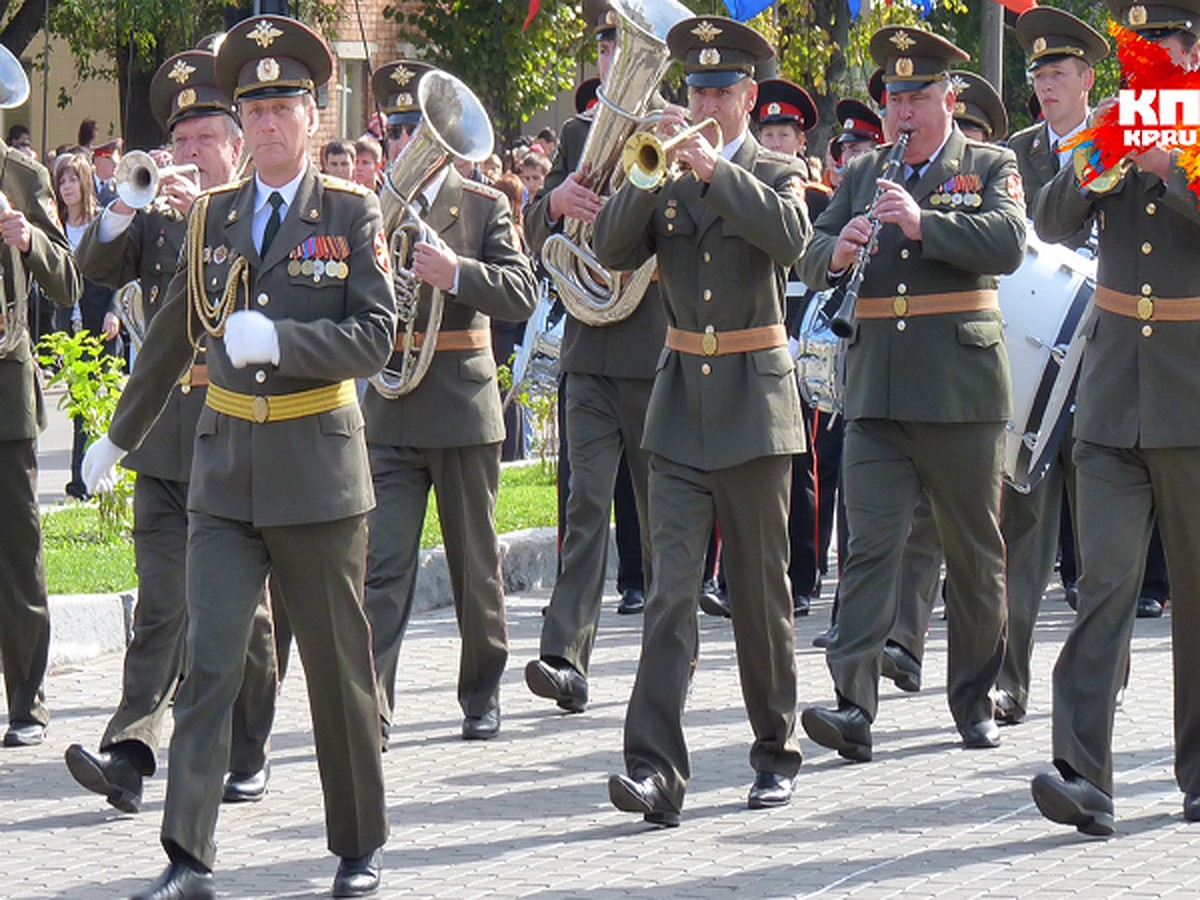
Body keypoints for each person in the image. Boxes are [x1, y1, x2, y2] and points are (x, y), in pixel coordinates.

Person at [82, 16, 393, 897]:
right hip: (222, 472)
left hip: (317, 472)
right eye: (252, 106)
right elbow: (176, 333)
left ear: (314, 115)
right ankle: (188, 856)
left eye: (281, 105)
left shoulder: (349, 211)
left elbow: (376, 335)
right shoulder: (212, 216)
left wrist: (285, 342)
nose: (265, 122)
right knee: (212, 659)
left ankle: (358, 845)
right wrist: (118, 432)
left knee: (336, 672)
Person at [595, 15, 810, 824]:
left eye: (722, 90)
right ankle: (654, 770)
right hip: (680, 403)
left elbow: (791, 239)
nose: (707, 102)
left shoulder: (778, 169)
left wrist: (717, 170)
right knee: (671, 593)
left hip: (756, 402)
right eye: (697, 90)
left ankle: (774, 750)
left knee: (759, 593)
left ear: (750, 96)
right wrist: (640, 173)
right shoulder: (666, 172)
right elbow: (614, 250)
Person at [798, 26, 1026, 760]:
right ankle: (852, 705)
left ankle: (973, 699)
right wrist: (836, 249)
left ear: (947, 98)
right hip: (877, 392)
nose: (903, 110)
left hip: (960, 390)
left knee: (973, 551)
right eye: (894, 97)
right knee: (867, 547)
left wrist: (926, 224)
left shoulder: (990, 162)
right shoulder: (863, 175)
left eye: (918, 95)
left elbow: (1008, 242)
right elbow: (810, 247)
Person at [66, 46, 279, 815]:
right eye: (178, 141)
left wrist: (208, 221)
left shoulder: (262, 210)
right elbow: (91, 263)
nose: (187, 154)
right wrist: (124, 202)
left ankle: (249, 747)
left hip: (236, 428)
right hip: (159, 434)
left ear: (237, 142)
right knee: (163, 598)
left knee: (242, 610)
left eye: (202, 139)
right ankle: (130, 751)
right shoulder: (155, 218)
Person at [1029, 0, 1200, 835]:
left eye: (1159, 46)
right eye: (1137, 50)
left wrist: (1175, 170)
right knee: (1103, 586)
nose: (1147, 61)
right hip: (1109, 396)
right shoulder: (1117, 123)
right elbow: (1052, 222)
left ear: (1191, 51)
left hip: (1191, 393)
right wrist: (1097, 148)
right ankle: (1082, 773)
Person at [362, 59, 536, 744]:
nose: (408, 140)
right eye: (400, 127)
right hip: (393, 407)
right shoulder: (371, 207)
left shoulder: (485, 204)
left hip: (461, 408)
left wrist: (455, 271)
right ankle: (371, 702)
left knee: (473, 564)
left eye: (418, 127)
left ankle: (481, 691)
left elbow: (521, 292)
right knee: (384, 566)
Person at [523, 0, 668, 715]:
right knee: (584, 508)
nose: (613, 56)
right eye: (607, 47)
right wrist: (556, 205)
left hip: (652, 345)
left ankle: (665, 662)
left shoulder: (672, 131)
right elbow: (531, 227)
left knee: (659, 513)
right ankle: (564, 656)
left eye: (625, 46)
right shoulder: (580, 132)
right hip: (588, 342)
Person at [0, 121, 83, 750]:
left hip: (4, 396)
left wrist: (29, 241)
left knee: (16, 556)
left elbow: (69, 282)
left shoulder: (23, 176)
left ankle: (27, 703)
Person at [51, 151, 119, 500]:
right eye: (61, 180)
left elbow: (119, 272)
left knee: (102, 402)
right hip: (71, 326)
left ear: (85, 181)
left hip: (101, 322)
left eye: (72, 179)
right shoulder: (56, 227)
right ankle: (80, 482)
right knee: (79, 405)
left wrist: (115, 310)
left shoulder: (100, 222)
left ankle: (99, 478)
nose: (66, 187)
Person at [92, 139, 121, 206]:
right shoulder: (85, 182)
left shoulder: (119, 186)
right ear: (98, 161)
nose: (115, 165)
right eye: (111, 161)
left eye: (117, 162)